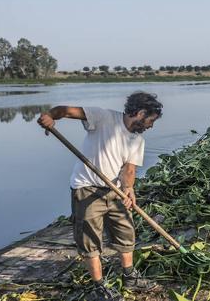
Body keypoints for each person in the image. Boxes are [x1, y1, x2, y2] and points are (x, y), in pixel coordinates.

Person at [37, 92, 163, 301]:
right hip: (86, 188)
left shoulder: (137, 140)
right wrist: (51, 116)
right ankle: (99, 287)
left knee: (126, 232)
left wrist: (129, 189)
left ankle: (129, 276)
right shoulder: (103, 117)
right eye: (151, 120)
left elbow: (129, 170)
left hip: (115, 191)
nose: (151, 126)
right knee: (90, 241)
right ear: (140, 113)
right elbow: (66, 111)